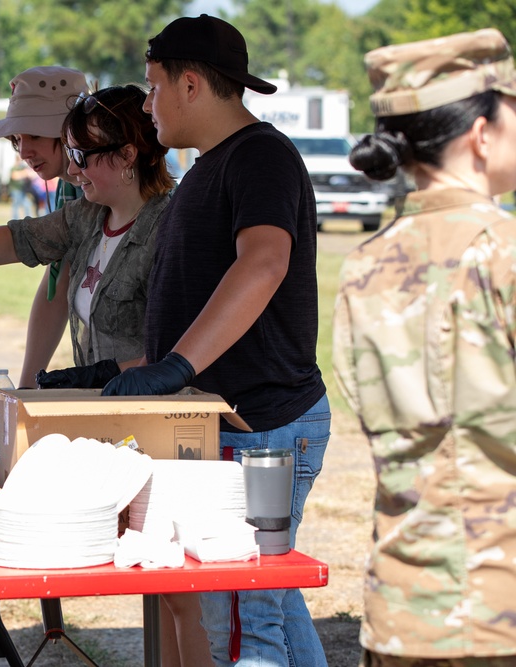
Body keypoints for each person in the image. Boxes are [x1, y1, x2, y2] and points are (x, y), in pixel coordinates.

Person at [40, 14, 330, 666]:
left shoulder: (260, 157)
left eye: (152, 87)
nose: (147, 105)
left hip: (264, 425)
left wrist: (176, 367)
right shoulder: (208, 170)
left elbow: (263, 264)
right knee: (268, 601)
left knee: (245, 620)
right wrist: (112, 370)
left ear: (192, 84)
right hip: (233, 422)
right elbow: (193, 314)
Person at [333, 29, 516, 667]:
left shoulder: (364, 265)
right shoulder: (503, 250)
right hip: (499, 613)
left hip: (402, 611)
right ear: (482, 132)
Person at [0, 83, 174, 385]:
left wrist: (101, 376)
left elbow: (173, 353)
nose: (74, 171)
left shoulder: (167, 230)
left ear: (127, 155)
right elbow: (21, 239)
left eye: (81, 156)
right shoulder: (87, 216)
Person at [0, 65, 91, 389]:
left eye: (36, 136)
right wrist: (27, 388)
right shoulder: (68, 188)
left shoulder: (104, 189)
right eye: (17, 139)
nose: (24, 151)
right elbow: (57, 281)